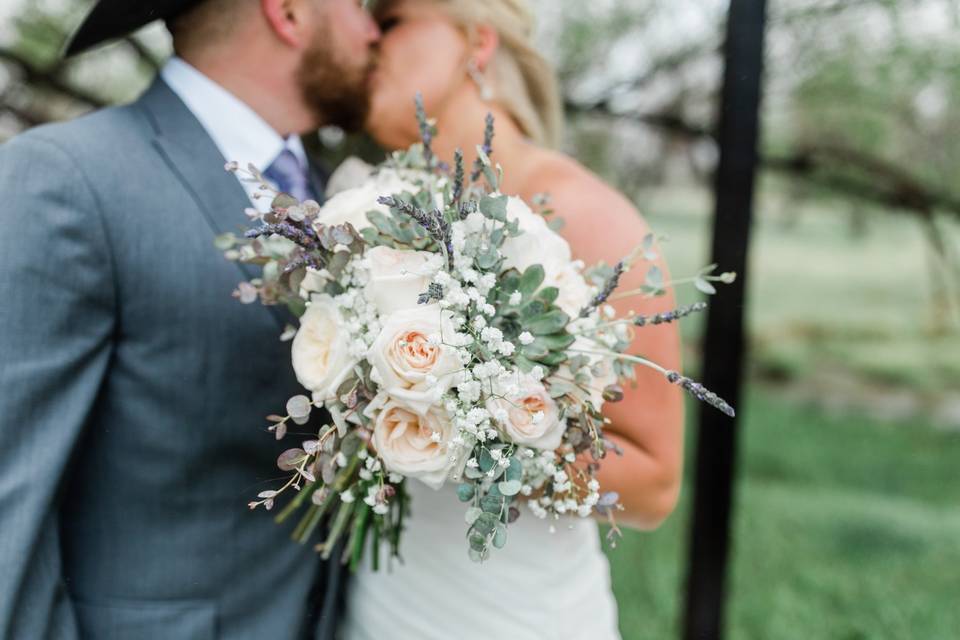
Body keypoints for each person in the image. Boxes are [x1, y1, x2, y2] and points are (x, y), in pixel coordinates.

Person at [0, 1, 379, 638]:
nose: (373, 31)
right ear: (287, 12)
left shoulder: (337, 197)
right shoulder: (64, 179)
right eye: (358, 5)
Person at [342, 1, 685, 638]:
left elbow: (654, 484)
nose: (366, 38)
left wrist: (456, 430)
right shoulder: (367, 210)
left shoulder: (589, 214)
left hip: (517, 617)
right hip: (383, 605)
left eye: (390, 20)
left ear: (477, 44)